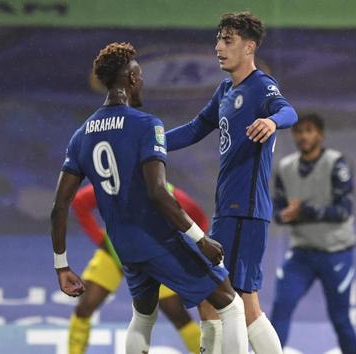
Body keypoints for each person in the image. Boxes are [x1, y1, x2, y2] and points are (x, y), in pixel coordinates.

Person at [50, 42, 249, 354]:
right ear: (130, 79)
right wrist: (200, 239)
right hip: (157, 240)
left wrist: (61, 266)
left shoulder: (81, 135)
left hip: (123, 247)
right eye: (139, 75)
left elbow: (60, 206)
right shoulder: (147, 124)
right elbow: (158, 192)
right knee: (231, 304)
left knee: (143, 316)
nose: (142, 81)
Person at [166, 12, 297, 354]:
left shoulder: (261, 86)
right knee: (215, 297)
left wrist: (272, 121)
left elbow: (289, 111)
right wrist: (151, 143)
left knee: (239, 301)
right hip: (228, 208)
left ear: (249, 46)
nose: (218, 47)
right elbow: (196, 128)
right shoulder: (226, 89)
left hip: (247, 210)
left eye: (228, 40)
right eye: (218, 39)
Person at [68, 182, 208, 354]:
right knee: (86, 305)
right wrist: (100, 240)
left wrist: (183, 249)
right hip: (116, 254)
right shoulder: (112, 187)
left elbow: (200, 219)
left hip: (156, 260)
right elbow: (80, 202)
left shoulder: (170, 195)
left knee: (176, 314)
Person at [270, 113, 356, 354]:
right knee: (280, 308)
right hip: (301, 253)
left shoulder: (336, 163)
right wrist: (285, 215)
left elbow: (344, 211)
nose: (303, 136)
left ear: (320, 134)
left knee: (340, 318)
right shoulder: (284, 167)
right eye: (298, 131)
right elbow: (277, 210)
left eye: (309, 130)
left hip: (336, 253)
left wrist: (304, 211)